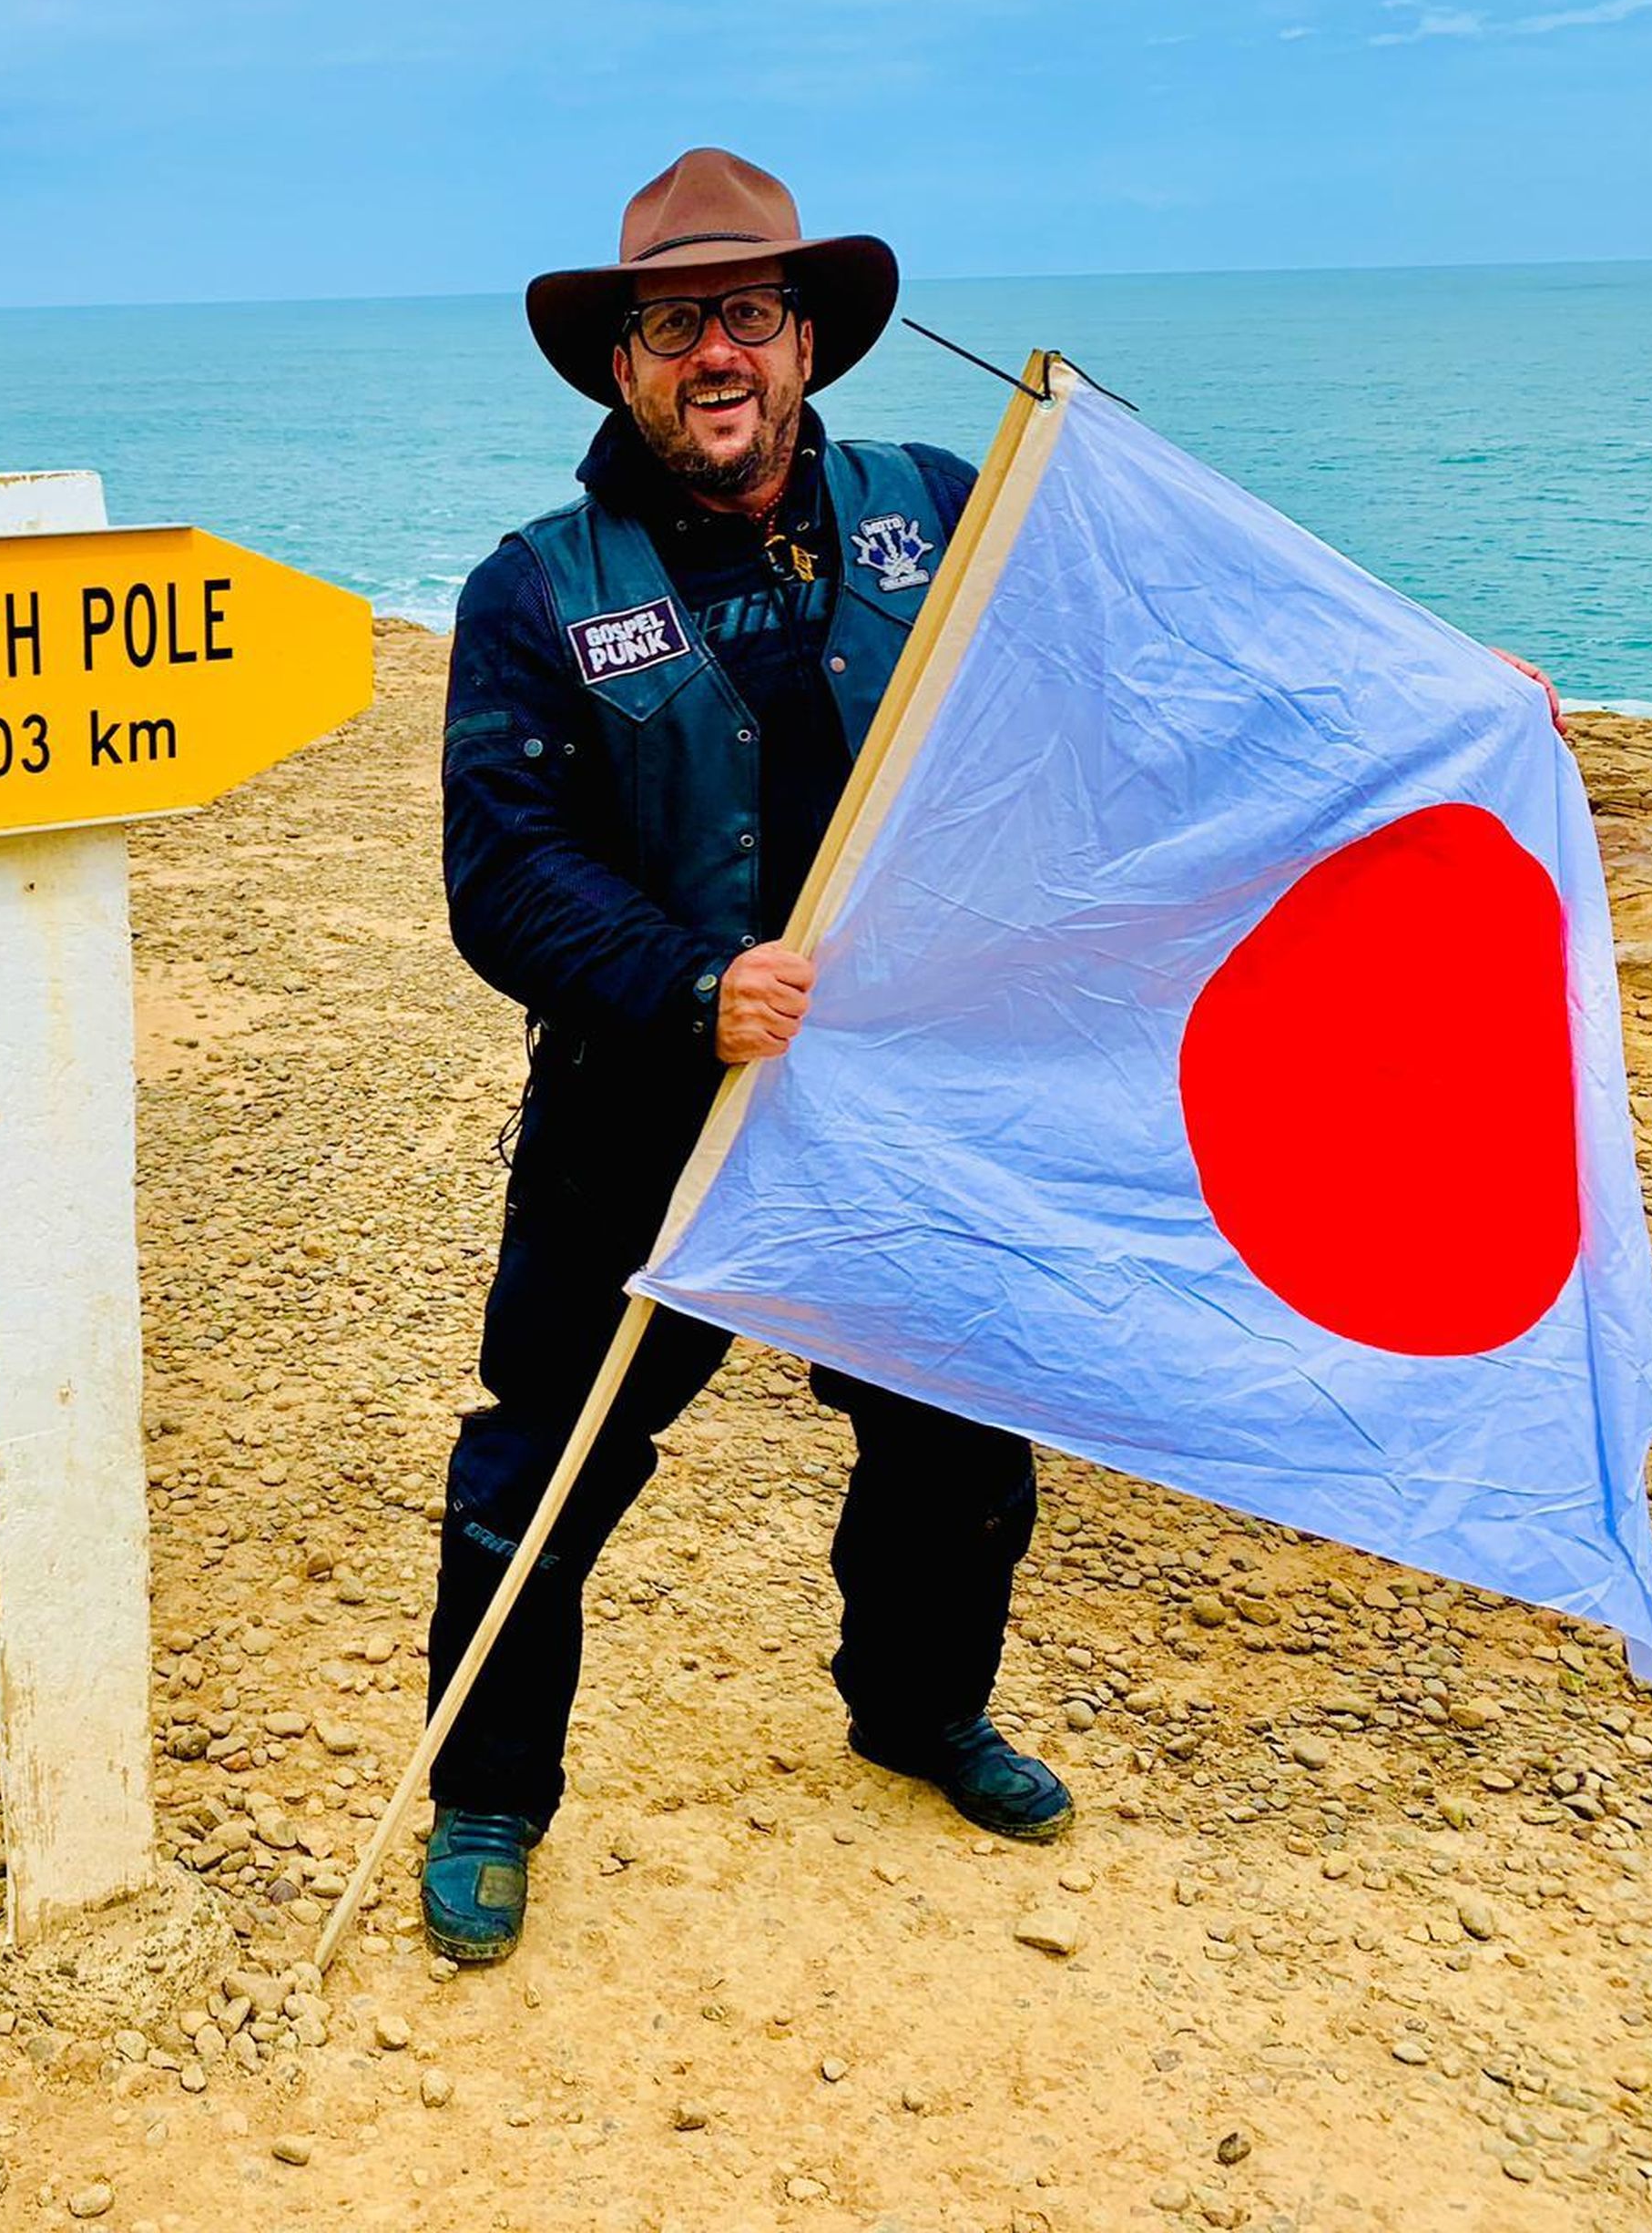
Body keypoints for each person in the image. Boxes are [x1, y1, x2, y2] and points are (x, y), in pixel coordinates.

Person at [416, 148, 1064, 1967]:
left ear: (807, 344)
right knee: (541, 1461)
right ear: (624, 363)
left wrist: (1414, 679)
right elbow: (503, 876)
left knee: (957, 1444)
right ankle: (488, 1788)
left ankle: (918, 1709)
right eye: (678, 319)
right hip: (642, 1102)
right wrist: (691, 983)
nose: (719, 349)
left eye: (750, 313)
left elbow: (1126, 671)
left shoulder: (936, 512)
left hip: (903, 1104)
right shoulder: (537, 592)